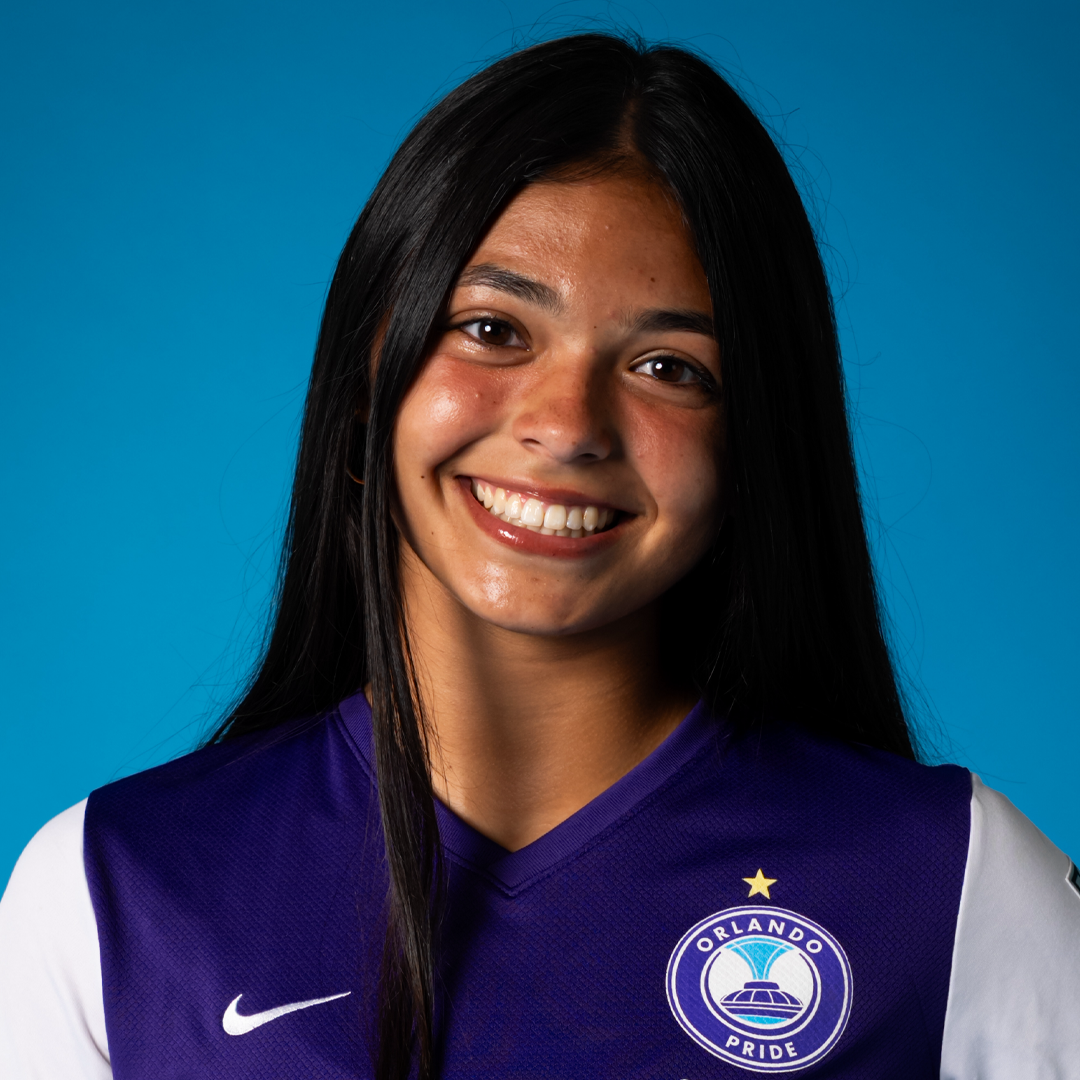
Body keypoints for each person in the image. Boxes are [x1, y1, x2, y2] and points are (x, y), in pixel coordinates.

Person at [1, 32, 1077, 1080]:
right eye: (493, 330)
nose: (568, 424)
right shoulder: (110, 890)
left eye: (668, 364)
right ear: (368, 374)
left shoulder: (954, 883)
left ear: (755, 441)